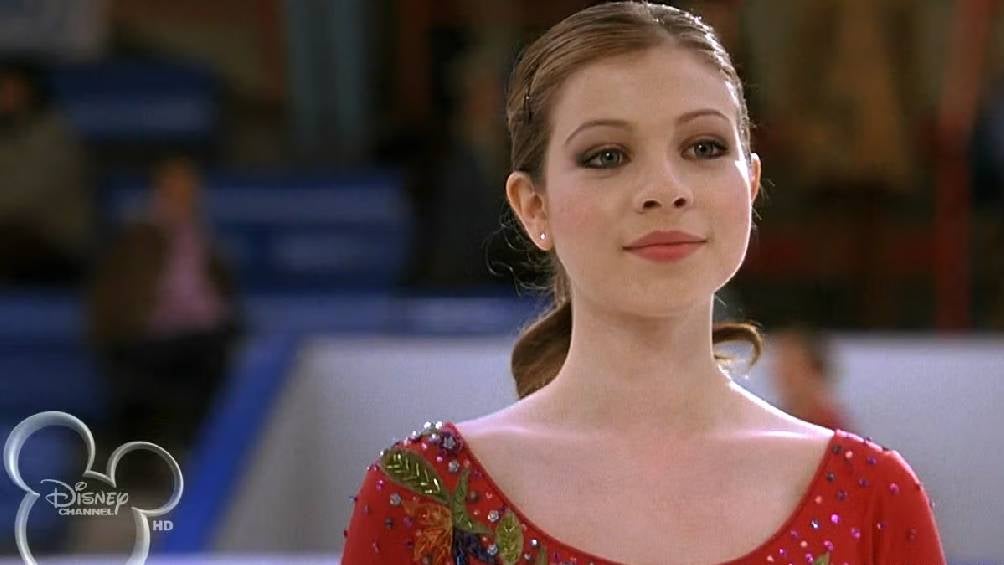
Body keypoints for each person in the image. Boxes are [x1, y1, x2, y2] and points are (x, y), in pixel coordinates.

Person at [342, 3, 946, 564]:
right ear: (533, 206)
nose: (665, 189)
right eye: (607, 155)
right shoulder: (425, 497)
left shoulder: (872, 498)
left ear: (750, 184)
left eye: (703, 147)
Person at [85, 156, 242, 478]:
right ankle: (151, 460)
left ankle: (206, 458)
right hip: (146, 339)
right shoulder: (136, 237)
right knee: (196, 358)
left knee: (218, 353)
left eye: (189, 191)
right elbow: (116, 299)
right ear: (159, 192)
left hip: (197, 339)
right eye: (175, 191)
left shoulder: (202, 239)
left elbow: (219, 298)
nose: (183, 199)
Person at [768, 327, 853, 433]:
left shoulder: (829, 427)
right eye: (780, 367)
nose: (782, 376)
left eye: (793, 369)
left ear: (815, 371)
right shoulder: (779, 419)